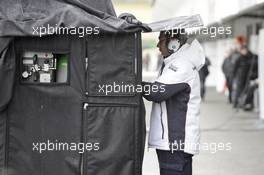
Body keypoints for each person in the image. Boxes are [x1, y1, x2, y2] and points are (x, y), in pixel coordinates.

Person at [142, 29, 205, 175]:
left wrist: (133, 85)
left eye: (161, 40)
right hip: (173, 143)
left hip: (175, 143)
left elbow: (157, 91)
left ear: (174, 43)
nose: (158, 45)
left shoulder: (182, 65)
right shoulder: (176, 63)